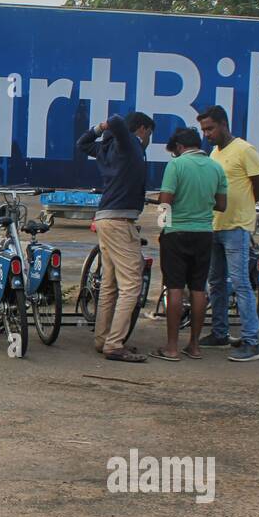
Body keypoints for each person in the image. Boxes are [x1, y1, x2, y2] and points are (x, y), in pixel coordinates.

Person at [77, 110, 155, 362]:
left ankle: (103, 339)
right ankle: (114, 343)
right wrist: (107, 125)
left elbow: (82, 143)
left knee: (110, 283)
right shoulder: (129, 145)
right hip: (120, 221)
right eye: (149, 134)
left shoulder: (106, 149)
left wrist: (100, 131)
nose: (148, 140)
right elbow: (119, 121)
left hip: (105, 219)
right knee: (132, 284)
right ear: (142, 129)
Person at [196, 105, 259, 362]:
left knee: (240, 284)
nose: (207, 134)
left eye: (210, 128)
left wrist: (244, 208)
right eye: (203, 130)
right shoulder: (214, 154)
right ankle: (220, 333)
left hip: (236, 227)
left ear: (224, 124)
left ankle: (251, 341)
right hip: (214, 226)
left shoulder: (245, 150)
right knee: (216, 283)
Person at [150, 127, 227, 361]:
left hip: (177, 233)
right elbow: (221, 205)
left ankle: (171, 347)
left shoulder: (176, 165)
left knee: (174, 287)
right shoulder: (216, 167)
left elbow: (165, 201)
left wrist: (163, 225)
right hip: (204, 233)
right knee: (198, 289)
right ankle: (194, 346)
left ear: (180, 147)